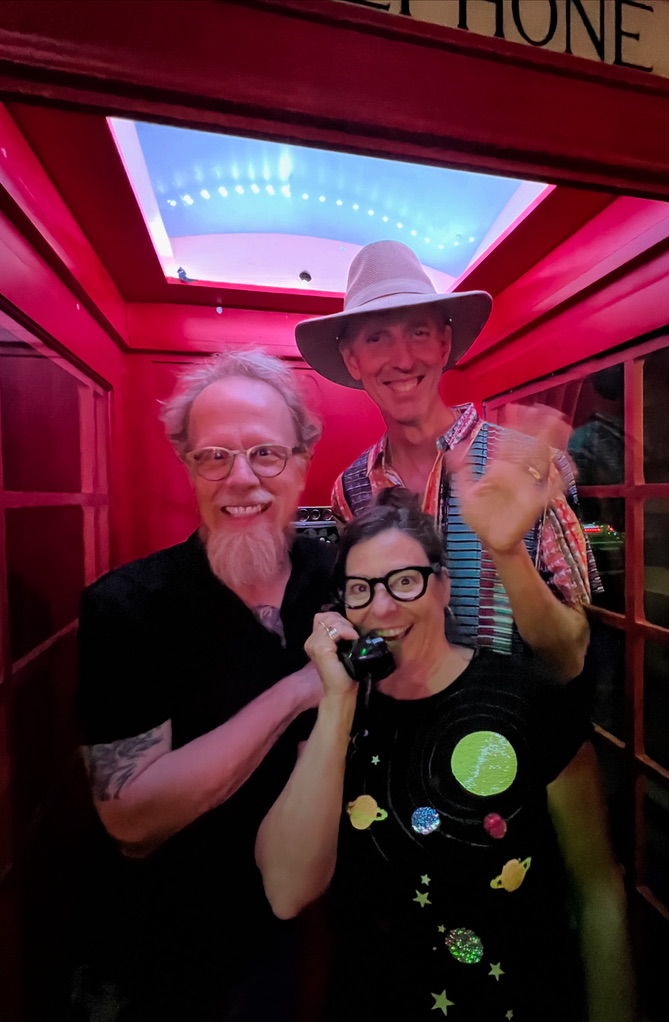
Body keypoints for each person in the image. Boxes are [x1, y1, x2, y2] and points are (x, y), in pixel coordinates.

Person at [256, 489, 635, 1021]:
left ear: (443, 585)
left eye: (405, 581)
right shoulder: (332, 716)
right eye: (360, 589)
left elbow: (596, 887)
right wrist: (341, 701)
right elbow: (285, 892)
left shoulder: (526, 699)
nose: (382, 606)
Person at [74, 350, 333, 1022]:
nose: (240, 479)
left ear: (303, 461)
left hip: (334, 934)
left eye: (266, 454)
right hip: (177, 959)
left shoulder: (344, 582)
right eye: (214, 456)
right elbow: (129, 816)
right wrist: (298, 690)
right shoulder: (127, 607)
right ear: (187, 466)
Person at [295, 240, 600, 681]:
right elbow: (373, 629)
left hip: (513, 733)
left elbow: (571, 658)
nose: (402, 359)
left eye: (418, 331)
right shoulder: (349, 489)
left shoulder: (525, 462)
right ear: (352, 359)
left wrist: (507, 551)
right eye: (377, 337)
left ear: (444, 344)